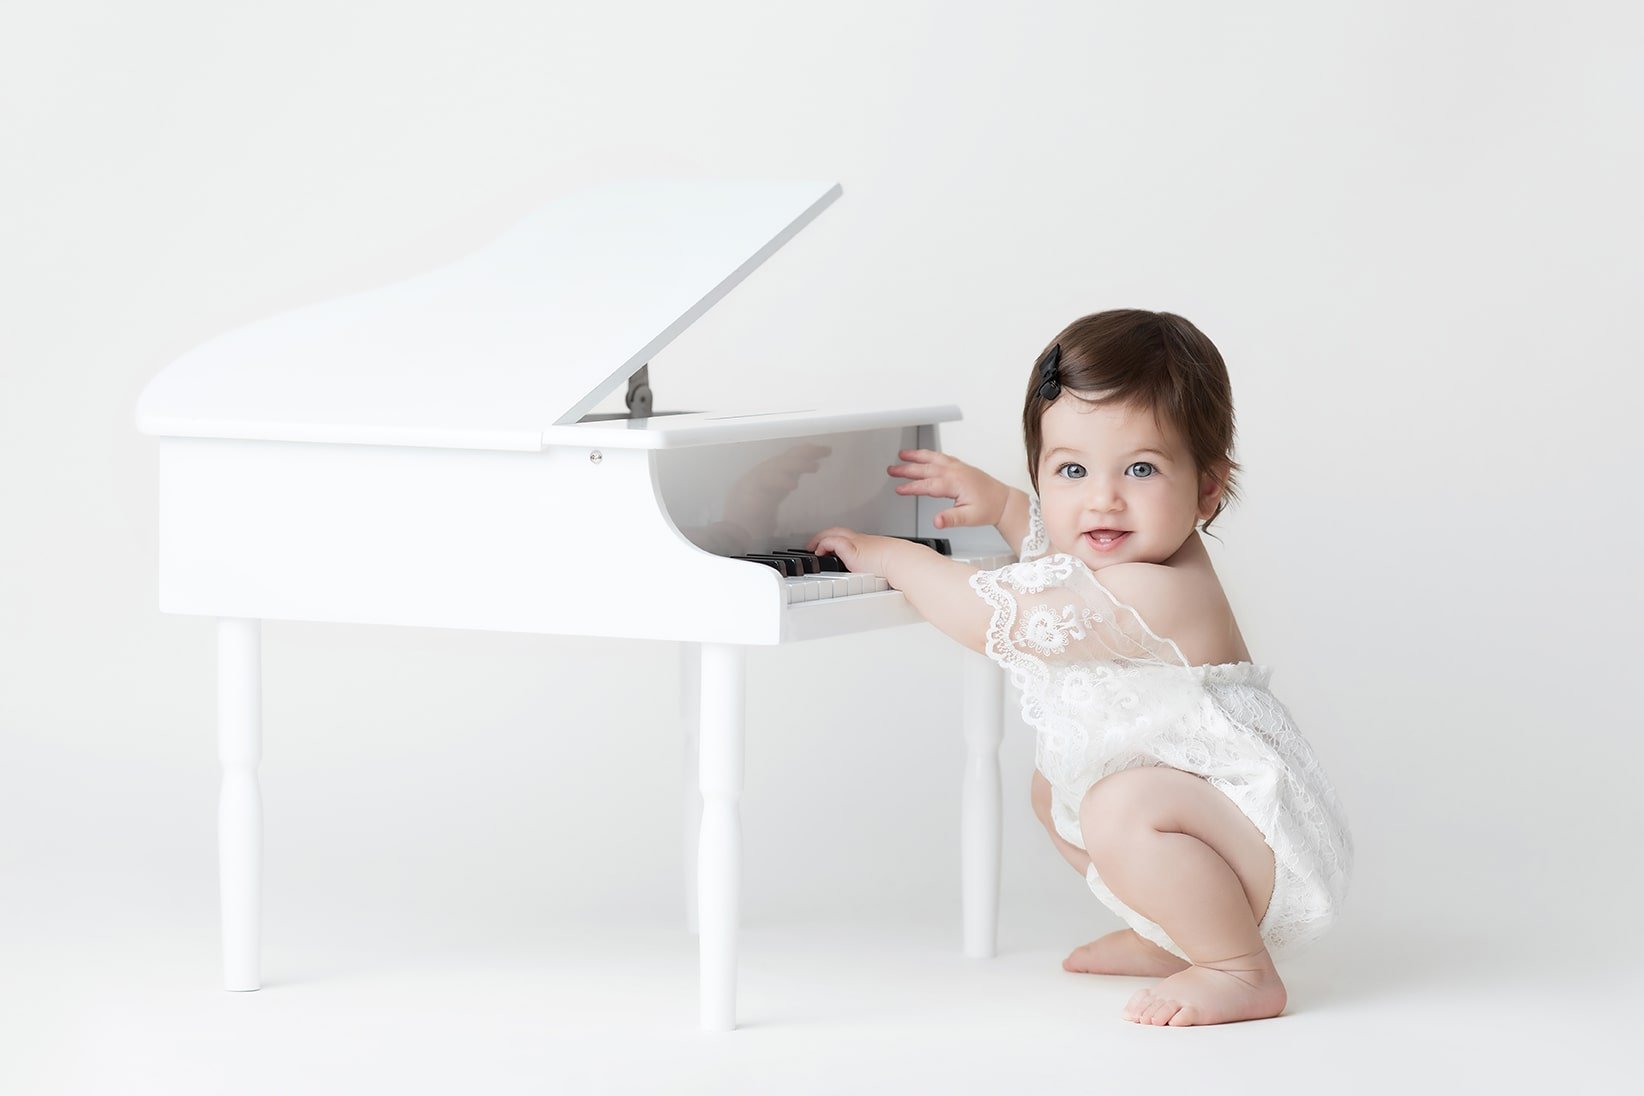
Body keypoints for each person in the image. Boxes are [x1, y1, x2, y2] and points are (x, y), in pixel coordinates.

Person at [805, 309, 1353, 1027]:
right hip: (1212, 830)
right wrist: (1002, 503)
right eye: (1070, 469)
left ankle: (1237, 967)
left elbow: (996, 617)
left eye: (1141, 468)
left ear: (1208, 489)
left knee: (1118, 806)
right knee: (1055, 789)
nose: (1103, 498)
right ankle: (1176, 932)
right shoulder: (1119, 555)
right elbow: (1058, 545)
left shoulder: (1160, 589)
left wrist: (893, 559)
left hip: (1271, 850)